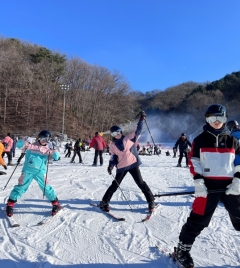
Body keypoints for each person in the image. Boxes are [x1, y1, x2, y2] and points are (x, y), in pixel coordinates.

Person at [174, 104, 240, 268]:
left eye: (220, 118)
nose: (216, 122)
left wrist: (238, 181)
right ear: (206, 119)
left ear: (225, 120)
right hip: (208, 186)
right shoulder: (200, 140)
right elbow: (194, 161)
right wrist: (199, 182)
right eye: (212, 118)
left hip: (231, 186)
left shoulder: (233, 140)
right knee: (198, 219)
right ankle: (182, 250)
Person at [99, 111, 155, 212]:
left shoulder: (129, 138)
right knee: (115, 185)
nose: (117, 135)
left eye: (118, 132)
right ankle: (104, 202)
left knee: (141, 183)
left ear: (121, 131)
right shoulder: (112, 145)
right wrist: (111, 166)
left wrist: (141, 120)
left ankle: (151, 201)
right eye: (114, 133)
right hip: (122, 167)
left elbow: (138, 130)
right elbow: (113, 157)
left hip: (133, 164)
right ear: (112, 134)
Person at [5, 130, 61, 217]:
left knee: (46, 187)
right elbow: (19, 145)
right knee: (21, 187)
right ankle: (10, 204)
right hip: (28, 170)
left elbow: (57, 158)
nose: (43, 141)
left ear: (49, 140)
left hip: (40, 172)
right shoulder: (31, 145)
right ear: (39, 138)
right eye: (42, 139)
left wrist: (54, 149)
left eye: (46, 140)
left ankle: (55, 203)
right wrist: (23, 140)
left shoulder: (48, 149)